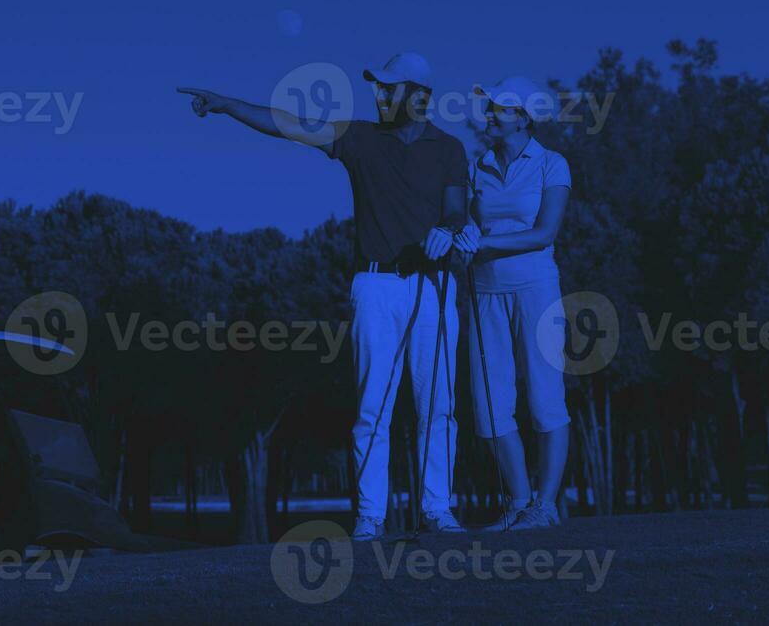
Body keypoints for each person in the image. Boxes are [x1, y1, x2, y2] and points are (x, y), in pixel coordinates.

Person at [178, 52, 469, 541]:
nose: (378, 94)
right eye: (377, 86)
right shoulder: (357, 137)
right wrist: (228, 104)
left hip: (435, 286)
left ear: (419, 95)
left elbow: (457, 212)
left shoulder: (449, 149)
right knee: (373, 406)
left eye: (389, 87)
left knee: (437, 406)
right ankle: (371, 516)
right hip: (375, 285)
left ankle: (437, 509)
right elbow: (291, 124)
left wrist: (447, 230)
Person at [454, 77, 573, 531]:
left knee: (545, 398)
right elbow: (468, 225)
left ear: (523, 117)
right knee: (489, 404)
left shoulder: (551, 164)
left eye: (499, 109)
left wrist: (483, 240)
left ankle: (545, 505)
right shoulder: (477, 166)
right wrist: (464, 238)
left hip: (536, 291)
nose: (489, 115)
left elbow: (545, 233)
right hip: (484, 291)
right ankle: (519, 503)